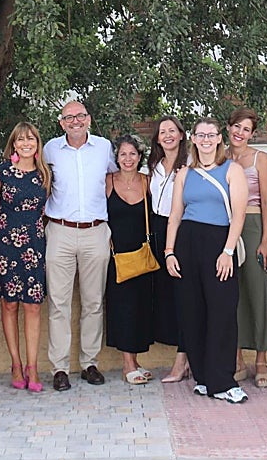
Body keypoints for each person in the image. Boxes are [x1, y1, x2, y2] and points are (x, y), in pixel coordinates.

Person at [162, 119, 249, 404]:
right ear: (194, 140)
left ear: (219, 138)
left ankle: (222, 379)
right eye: (201, 135)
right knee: (193, 311)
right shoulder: (185, 173)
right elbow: (175, 215)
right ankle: (203, 377)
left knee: (222, 311)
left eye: (211, 135)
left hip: (219, 243)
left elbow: (238, 215)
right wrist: (169, 251)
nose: (207, 140)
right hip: (188, 242)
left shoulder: (232, 170)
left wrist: (227, 252)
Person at [42, 100, 117, 391]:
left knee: (94, 301)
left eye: (81, 116)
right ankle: (59, 368)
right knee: (59, 303)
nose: (76, 121)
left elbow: (113, 177)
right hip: (59, 231)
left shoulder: (103, 147)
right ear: (61, 123)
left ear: (88, 118)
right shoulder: (49, 149)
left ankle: (90, 363)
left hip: (95, 232)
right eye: (69, 117)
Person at [0, 122, 51, 392]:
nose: (26, 143)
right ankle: (15, 364)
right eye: (20, 140)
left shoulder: (45, 174)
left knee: (33, 306)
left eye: (31, 139)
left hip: (35, 243)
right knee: (9, 304)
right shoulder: (2, 172)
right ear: (13, 144)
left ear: (37, 144)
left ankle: (33, 366)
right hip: (7, 242)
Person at [226, 109, 267, 388]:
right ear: (228, 127)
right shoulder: (220, 157)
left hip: (255, 224)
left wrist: (266, 239)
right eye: (236, 126)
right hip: (226, 226)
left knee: (258, 292)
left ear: (252, 133)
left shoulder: (261, 159)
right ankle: (236, 359)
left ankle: (261, 359)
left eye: (246, 129)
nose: (240, 133)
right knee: (230, 293)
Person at [105, 135, 156, 385]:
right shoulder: (107, 182)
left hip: (143, 254)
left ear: (140, 156)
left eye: (132, 154)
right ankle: (127, 365)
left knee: (140, 309)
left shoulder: (148, 182)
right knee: (122, 308)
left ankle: (135, 361)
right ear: (116, 157)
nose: (127, 159)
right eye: (123, 154)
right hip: (117, 256)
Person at [147, 116, 189, 383]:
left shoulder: (191, 164)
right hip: (158, 231)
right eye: (163, 132)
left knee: (185, 297)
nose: (168, 135)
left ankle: (182, 360)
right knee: (167, 298)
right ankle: (184, 354)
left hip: (183, 230)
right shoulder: (152, 166)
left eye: (172, 131)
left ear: (182, 135)